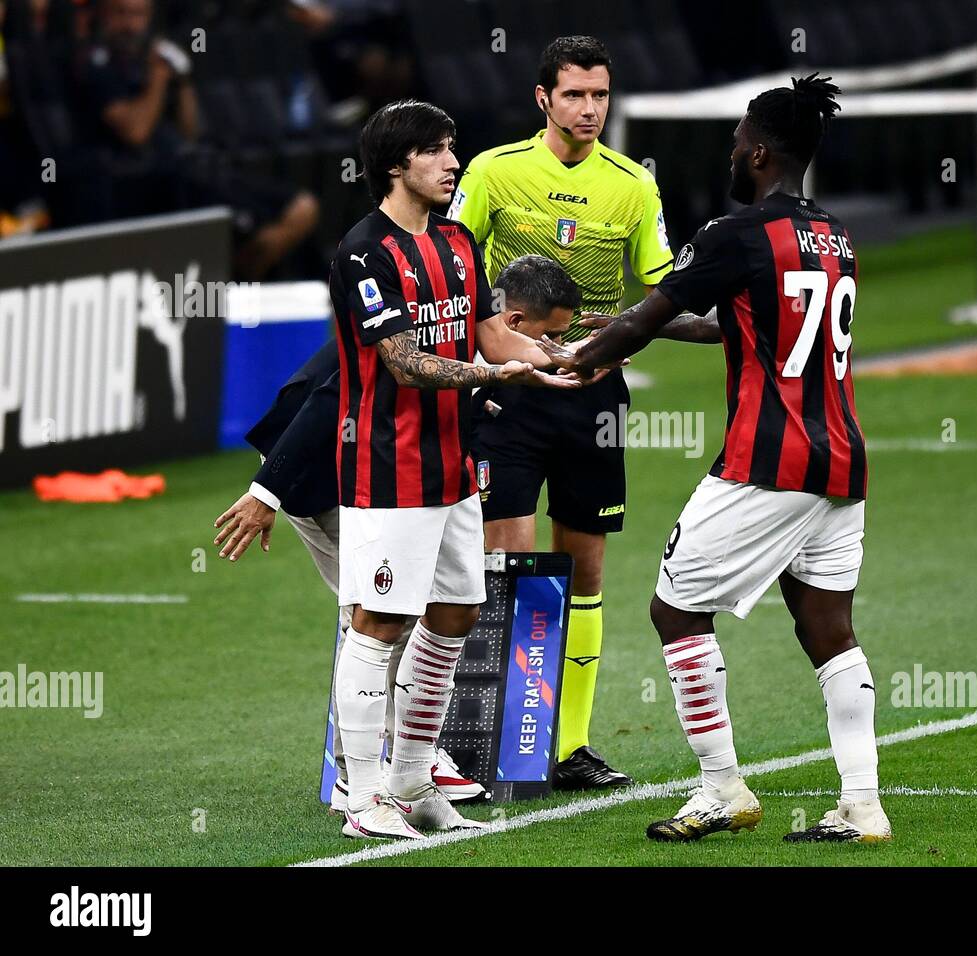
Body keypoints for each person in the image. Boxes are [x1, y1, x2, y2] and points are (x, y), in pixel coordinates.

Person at [541, 75, 892, 844]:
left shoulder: (735, 233)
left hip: (768, 461)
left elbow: (649, 314)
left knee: (674, 609)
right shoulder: (835, 236)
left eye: (739, 140)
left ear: (760, 151)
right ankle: (863, 805)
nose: (732, 152)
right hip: (841, 460)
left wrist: (573, 358)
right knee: (827, 626)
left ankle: (720, 788)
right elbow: (741, 325)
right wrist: (632, 327)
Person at [450, 35, 714, 790]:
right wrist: (505, 344)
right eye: (574, 94)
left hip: (592, 398)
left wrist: (646, 331)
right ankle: (489, 747)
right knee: (508, 565)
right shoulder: (494, 173)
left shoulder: (633, 185)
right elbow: (455, 272)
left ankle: (567, 747)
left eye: (600, 95)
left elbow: (666, 291)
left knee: (584, 573)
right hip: (508, 394)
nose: (590, 109)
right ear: (544, 98)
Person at [327, 98, 580, 839]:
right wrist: (490, 376)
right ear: (397, 164)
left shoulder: (459, 242)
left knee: (458, 611)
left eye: (452, 148)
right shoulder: (364, 253)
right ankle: (364, 796)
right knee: (377, 623)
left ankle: (411, 782)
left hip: (453, 464)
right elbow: (404, 363)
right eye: (437, 151)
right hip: (386, 466)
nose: (452, 162)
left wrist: (549, 360)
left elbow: (487, 331)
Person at [212, 340, 487, 810]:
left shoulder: (469, 333)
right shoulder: (421, 333)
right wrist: (268, 492)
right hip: (312, 471)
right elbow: (318, 408)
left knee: (400, 611)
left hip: (379, 468)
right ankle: (354, 775)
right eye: (552, 336)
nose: (552, 347)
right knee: (375, 614)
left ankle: (409, 763)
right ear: (514, 321)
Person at [77, 0, 319, 277]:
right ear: (103, 16)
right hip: (148, 184)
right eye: (121, 14)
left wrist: (182, 81)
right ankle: (234, 282)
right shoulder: (97, 63)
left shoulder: (149, 60)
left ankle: (241, 275)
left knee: (302, 208)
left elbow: (189, 131)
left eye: (138, 15)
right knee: (271, 223)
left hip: (192, 171)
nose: (130, 25)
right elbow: (136, 132)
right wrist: (158, 77)